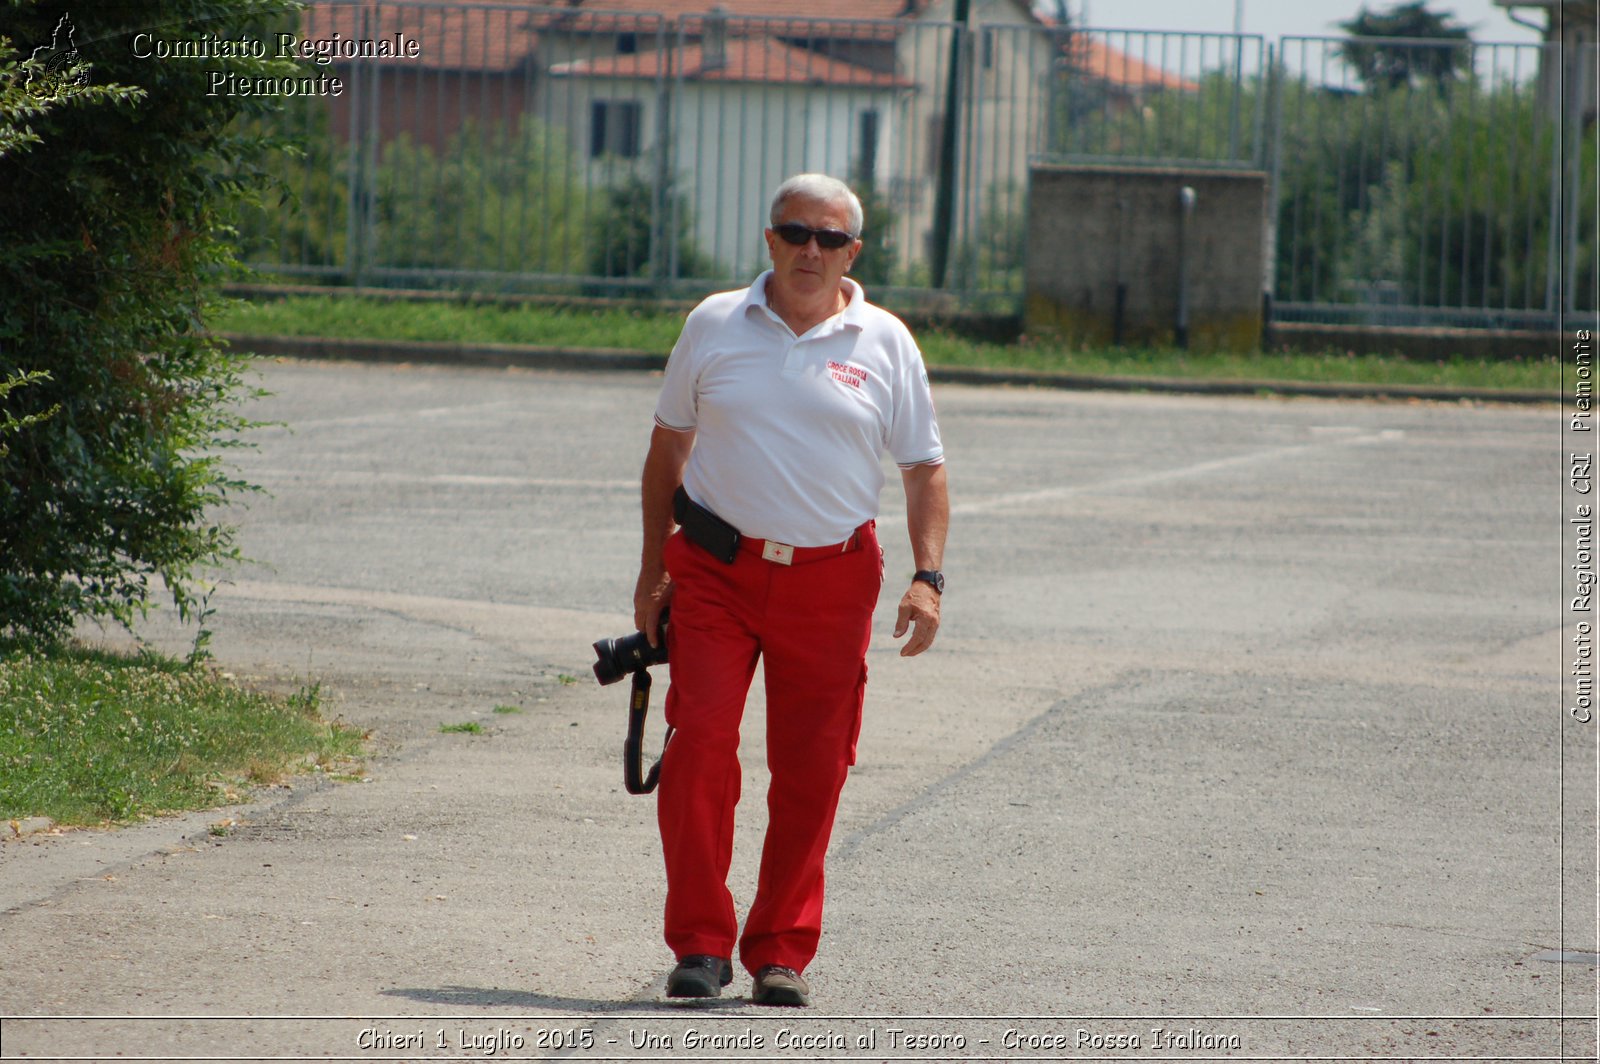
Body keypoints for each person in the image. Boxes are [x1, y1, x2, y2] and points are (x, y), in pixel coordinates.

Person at [632, 172, 948, 1008]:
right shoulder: (713, 323)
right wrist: (652, 568)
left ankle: (781, 949)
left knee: (813, 768)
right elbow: (667, 449)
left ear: (854, 252)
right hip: (716, 571)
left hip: (833, 579)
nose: (812, 250)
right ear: (769, 239)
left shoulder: (885, 341)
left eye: (830, 238)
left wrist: (927, 576)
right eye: (795, 232)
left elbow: (922, 469)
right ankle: (699, 943)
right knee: (700, 743)